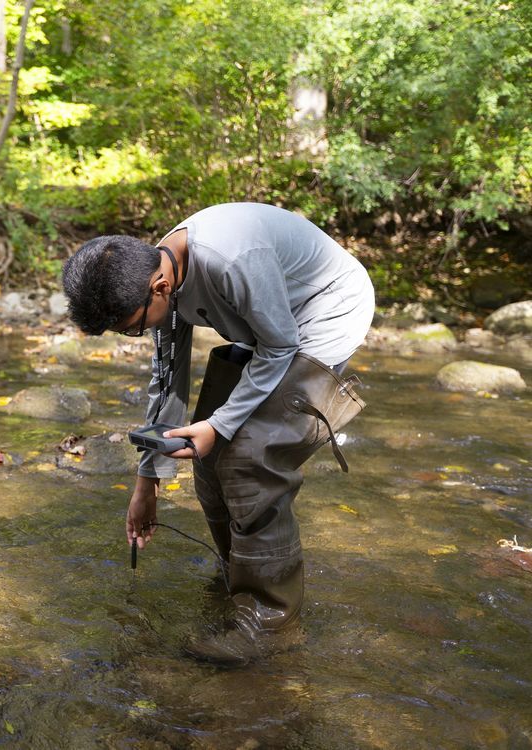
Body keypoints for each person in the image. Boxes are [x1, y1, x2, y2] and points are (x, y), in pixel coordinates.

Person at [61, 202, 374, 666]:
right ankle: (240, 575)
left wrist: (221, 425)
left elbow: (282, 344)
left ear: (161, 286)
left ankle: (270, 623)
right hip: (266, 324)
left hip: (324, 314)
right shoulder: (158, 268)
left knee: (249, 458)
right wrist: (147, 484)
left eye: (130, 329)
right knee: (204, 453)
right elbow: (167, 383)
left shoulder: (230, 258)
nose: (133, 336)